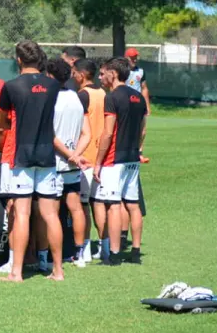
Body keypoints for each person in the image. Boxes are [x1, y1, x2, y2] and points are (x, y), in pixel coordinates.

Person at [0, 40, 64, 283]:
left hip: (21, 155)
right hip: (47, 154)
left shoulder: (11, 86)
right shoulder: (53, 85)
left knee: (22, 213)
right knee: (50, 215)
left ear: (19, 60)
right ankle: (58, 270)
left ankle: (17, 272)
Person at [93, 57, 147, 265]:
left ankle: (114, 254)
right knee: (133, 204)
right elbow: (143, 129)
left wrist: (98, 161)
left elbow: (107, 133)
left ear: (113, 74)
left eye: (103, 73)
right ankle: (135, 251)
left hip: (114, 160)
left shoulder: (112, 97)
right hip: (132, 157)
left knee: (114, 205)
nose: (101, 77)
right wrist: (137, 148)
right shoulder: (138, 97)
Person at [45, 58, 92, 267]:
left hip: (55, 163)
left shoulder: (50, 99)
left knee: (51, 212)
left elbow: (51, 135)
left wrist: (68, 154)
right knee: (75, 207)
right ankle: (79, 254)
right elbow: (87, 133)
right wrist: (76, 154)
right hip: (72, 164)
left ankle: (47, 257)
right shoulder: (76, 97)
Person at [74, 58, 105, 262]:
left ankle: (84, 247)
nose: (72, 76)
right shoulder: (103, 93)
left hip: (86, 157)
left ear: (82, 74)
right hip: (100, 156)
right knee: (98, 204)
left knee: (83, 205)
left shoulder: (82, 96)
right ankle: (104, 246)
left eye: (74, 72)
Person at [125, 47, 151, 164]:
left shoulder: (140, 71)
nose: (134, 60)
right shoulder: (122, 71)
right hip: (125, 104)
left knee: (142, 130)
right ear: (126, 58)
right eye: (132, 58)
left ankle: (139, 153)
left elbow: (144, 88)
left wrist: (147, 106)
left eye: (135, 57)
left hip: (138, 105)